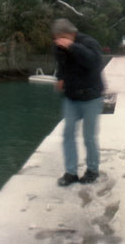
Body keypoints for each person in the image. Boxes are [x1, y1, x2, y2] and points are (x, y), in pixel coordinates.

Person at [52, 18, 104, 186]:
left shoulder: (89, 42)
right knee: (68, 134)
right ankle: (71, 172)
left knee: (88, 137)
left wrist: (72, 47)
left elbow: (94, 63)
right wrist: (60, 78)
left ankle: (92, 170)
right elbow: (61, 65)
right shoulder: (59, 46)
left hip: (91, 97)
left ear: (72, 34)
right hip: (71, 98)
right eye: (57, 38)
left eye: (63, 37)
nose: (60, 41)